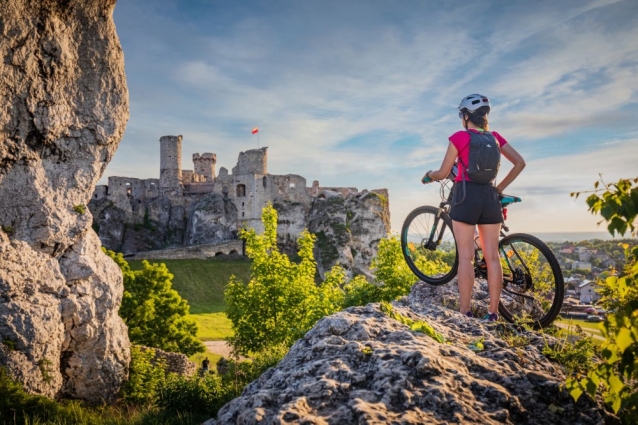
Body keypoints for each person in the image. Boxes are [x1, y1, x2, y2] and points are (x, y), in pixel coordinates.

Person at [423, 94, 526, 321]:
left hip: (465, 196)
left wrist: (430, 175)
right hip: (490, 196)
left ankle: (465, 312)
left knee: (467, 258)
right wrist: (499, 189)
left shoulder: (459, 137)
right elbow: (520, 163)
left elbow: (442, 172)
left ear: (466, 116)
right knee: (492, 258)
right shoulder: (496, 137)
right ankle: (493, 313)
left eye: (462, 115)